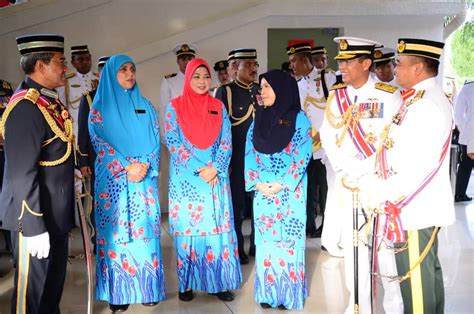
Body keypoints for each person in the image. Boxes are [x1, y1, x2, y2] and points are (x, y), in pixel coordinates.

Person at [368, 38, 455, 313]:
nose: (395, 68)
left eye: (400, 64)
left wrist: (382, 195)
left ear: (418, 69)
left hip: (413, 206)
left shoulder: (426, 104)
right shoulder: (417, 99)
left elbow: (418, 165)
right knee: (425, 276)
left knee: (417, 285)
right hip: (413, 205)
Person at [320, 36, 403, 314]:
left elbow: (395, 140)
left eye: (347, 61)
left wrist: (367, 170)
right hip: (348, 184)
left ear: (366, 63)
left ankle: (393, 305)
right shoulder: (337, 96)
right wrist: (344, 168)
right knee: (355, 249)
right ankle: (358, 305)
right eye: (340, 61)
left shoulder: (388, 95)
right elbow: (328, 136)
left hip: (377, 184)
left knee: (384, 248)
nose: (341, 66)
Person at [0, 34, 75, 314]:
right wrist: (32, 229)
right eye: (60, 62)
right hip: (33, 220)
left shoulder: (48, 102)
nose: (64, 68)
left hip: (54, 216)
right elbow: (22, 174)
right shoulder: (25, 108)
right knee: (31, 298)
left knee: (50, 294)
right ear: (41, 67)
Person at [89, 54, 165, 312]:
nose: (130, 74)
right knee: (117, 234)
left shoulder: (146, 105)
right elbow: (100, 143)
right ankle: (118, 293)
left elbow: (155, 139)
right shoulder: (99, 110)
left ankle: (147, 288)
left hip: (143, 180)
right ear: (111, 75)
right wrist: (126, 166)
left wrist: (143, 166)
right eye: (123, 70)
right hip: (115, 184)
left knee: (145, 232)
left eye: (132, 69)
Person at [164, 58, 241, 302]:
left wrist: (216, 168)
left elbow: (226, 141)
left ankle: (219, 283)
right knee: (190, 232)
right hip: (187, 181)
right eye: (196, 76)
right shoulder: (174, 107)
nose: (201, 81)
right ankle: (186, 284)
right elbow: (173, 142)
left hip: (214, 179)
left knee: (216, 231)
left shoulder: (218, 105)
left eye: (206, 76)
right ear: (187, 78)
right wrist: (201, 169)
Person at [245, 69, 312, 310]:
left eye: (266, 87)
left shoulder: (299, 118)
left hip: (288, 192)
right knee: (266, 243)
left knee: (288, 242)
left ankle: (288, 294)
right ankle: (268, 292)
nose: (261, 92)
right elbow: (249, 153)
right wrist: (257, 182)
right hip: (264, 192)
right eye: (261, 87)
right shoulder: (258, 119)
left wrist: (282, 182)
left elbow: (303, 153)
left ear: (281, 89)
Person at [287, 42, 336, 240]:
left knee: (326, 190)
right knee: (307, 189)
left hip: (325, 147)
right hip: (305, 147)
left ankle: (328, 228)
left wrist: (322, 133)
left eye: (294, 61)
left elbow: (337, 109)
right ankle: (308, 226)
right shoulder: (297, 84)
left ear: (305, 60)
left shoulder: (327, 77)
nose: (292, 65)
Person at [215, 48, 259, 264]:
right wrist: (226, 161)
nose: (254, 68)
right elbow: (221, 129)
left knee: (258, 204)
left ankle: (257, 245)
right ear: (235, 67)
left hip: (259, 160)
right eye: (248, 64)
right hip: (237, 159)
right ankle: (237, 246)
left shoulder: (261, 89)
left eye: (255, 64)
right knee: (237, 206)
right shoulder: (226, 92)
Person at [159, 43, 197, 215]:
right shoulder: (169, 81)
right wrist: (167, 139)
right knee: (181, 179)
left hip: (199, 139)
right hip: (179, 140)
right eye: (183, 58)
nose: (187, 61)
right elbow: (164, 111)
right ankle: (182, 214)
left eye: (190, 58)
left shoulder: (200, 78)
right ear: (178, 61)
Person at [58, 45, 98, 141]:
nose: (84, 62)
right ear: (73, 62)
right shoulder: (66, 82)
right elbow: (62, 107)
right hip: (77, 130)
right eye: (80, 59)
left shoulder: (99, 79)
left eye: (87, 58)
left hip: (99, 127)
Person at [454, 80, 474, 202]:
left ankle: (459, 193)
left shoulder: (468, 88)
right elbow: (458, 114)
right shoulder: (468, 88)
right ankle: (459, 193)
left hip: (469, 133)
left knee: (465, 166)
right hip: (469, 133)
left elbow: (458, 114)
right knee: (466, 165)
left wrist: (464, 128)